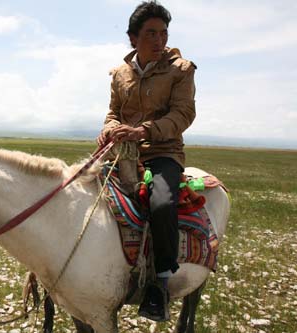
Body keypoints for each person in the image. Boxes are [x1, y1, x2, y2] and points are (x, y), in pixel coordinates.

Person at [97, 1, 196, 322]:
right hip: (122, 152)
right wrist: (109, 130)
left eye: (163, 33)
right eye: (151, 34)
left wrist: (143, 130)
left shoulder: (180, 70)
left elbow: (183, 114)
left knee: (162, 202)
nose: (159, 40)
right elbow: (112, 113)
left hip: (162, 152)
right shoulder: (120, 74)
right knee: (81, 190)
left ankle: (160, 283)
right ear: (133, 38)